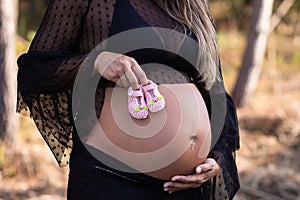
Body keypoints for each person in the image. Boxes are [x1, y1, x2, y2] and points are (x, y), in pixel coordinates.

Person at [17, 0, 240, 199]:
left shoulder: (192, 6)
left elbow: (216, 91)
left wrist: (217, 157)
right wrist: (93, 61)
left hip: (187, 185)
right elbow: (35, 71)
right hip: (113, 179)